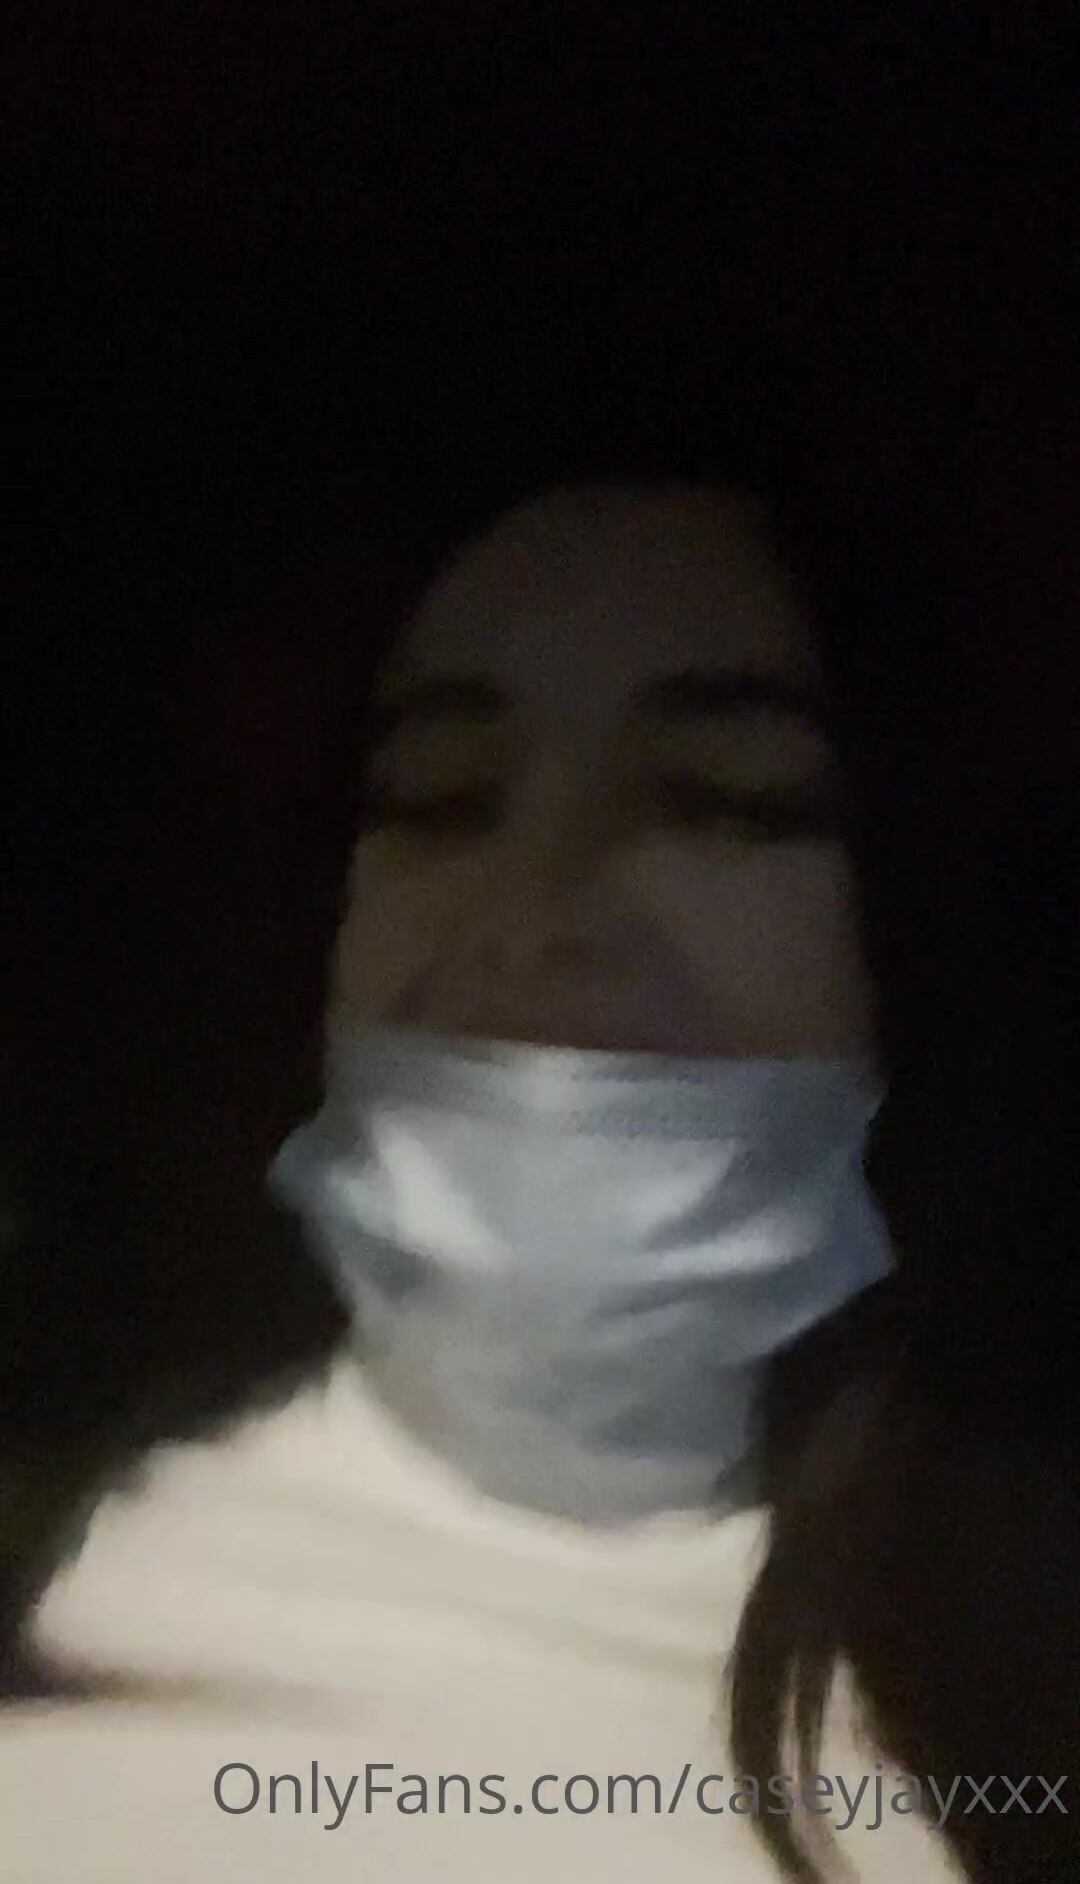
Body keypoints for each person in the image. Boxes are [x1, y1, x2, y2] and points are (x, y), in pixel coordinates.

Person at [1, 476, 1073, 1884]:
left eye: (724, 804)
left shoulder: (1028, 1659)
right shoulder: (50, 1534)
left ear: (910, 932)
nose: (539, 913)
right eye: (440, 801)